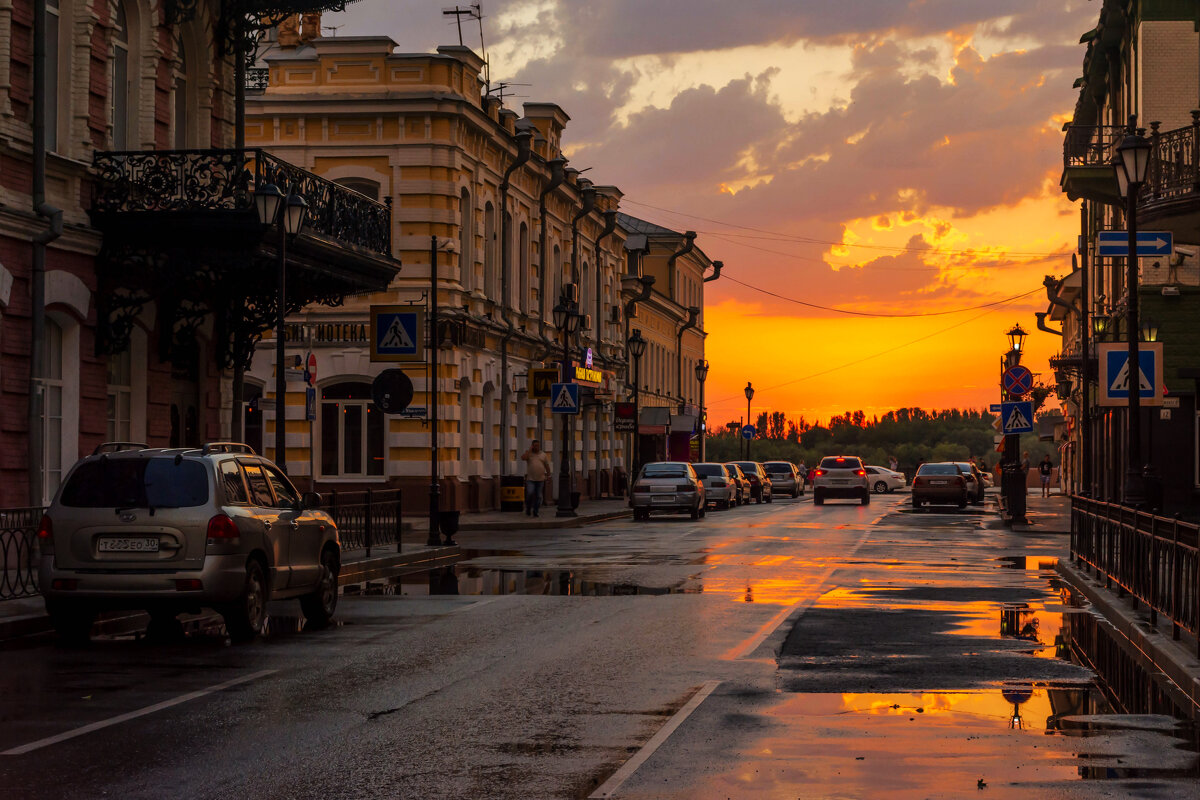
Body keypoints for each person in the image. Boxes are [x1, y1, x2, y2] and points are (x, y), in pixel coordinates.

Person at [520, 440, 552, 517]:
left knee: (539, 496)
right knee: (530, 493)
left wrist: (549, 476)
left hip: (540, 479)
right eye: (535, 445)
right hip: (530, 479)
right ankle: (528, 508)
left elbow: (547, 466)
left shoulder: (543, 455)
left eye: (538, 445)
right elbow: (523, 458)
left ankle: (535, 511)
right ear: (532, 446)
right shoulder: (529, 454)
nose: (536, 447)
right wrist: (529, 450)